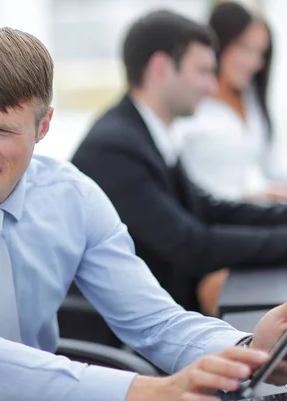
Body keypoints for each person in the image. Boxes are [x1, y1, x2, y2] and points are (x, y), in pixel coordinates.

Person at [0, 26, 287, 401]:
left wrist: (249, 352)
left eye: (1, 130)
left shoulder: (73, 198)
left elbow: (154, 321)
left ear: (43, 126)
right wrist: (144, 390)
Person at [71, 9, 287, 318]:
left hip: (160, 311)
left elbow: (209, 208)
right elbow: (191, 245)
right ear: (160, 67)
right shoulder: (114, 146)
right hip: (125, 329)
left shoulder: (148, 132)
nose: (212, 86)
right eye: (202, 71)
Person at [172, 1, 287, 202]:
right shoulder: (190, 103)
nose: (254, 63)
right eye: (244, 48)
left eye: (261, 52)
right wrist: (259, 195)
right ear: (218, 42)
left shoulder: (250, 96)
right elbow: (184, 186)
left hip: (258, 213)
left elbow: (267, 167)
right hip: (215, 219)